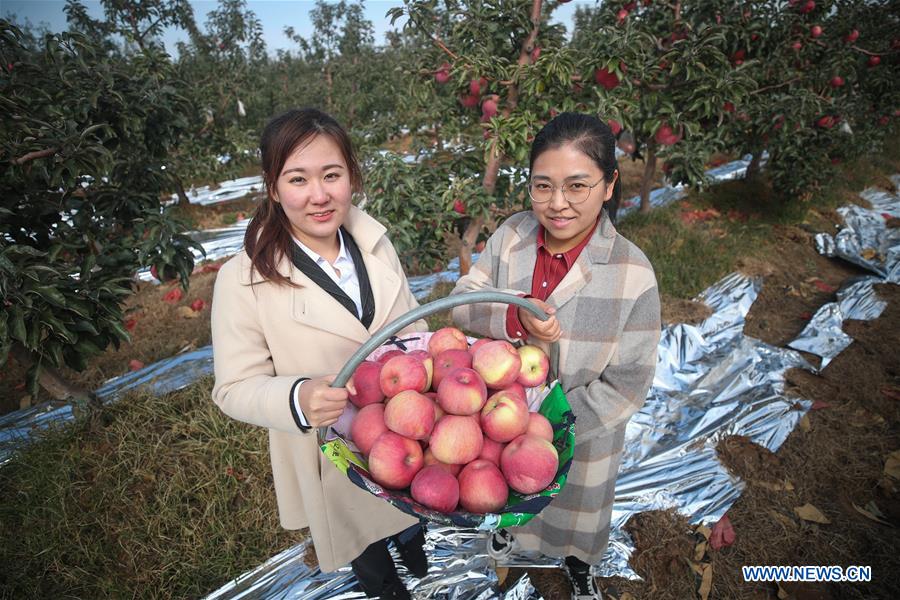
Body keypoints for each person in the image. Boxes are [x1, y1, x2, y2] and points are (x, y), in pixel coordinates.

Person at [210, 108, 429, 600]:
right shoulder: (244, 279)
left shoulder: (373, 242)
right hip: (329, 446)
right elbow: (233, 386)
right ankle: (385, 586)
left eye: (332, 175)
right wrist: (297, 397)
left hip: (401, 422)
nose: (319, 195)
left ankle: (416, 552)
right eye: (298, 179)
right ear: (272, 186)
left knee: (408, 506)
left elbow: (412, 323)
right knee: (359, 534)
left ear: (351, 175)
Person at [450, 112, 660, 600]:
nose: (557, 204)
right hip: (498, 418)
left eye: (577, 186)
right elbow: (463, 300)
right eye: (542, 186)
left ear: (609, 186)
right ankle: (507, 534)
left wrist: (553, 423)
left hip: (581, 432)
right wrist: (512, 321)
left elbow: (628, 382)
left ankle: (579, 564)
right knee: (509, 491)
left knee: (576, 515)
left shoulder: (632, 274)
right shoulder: (512, 237)